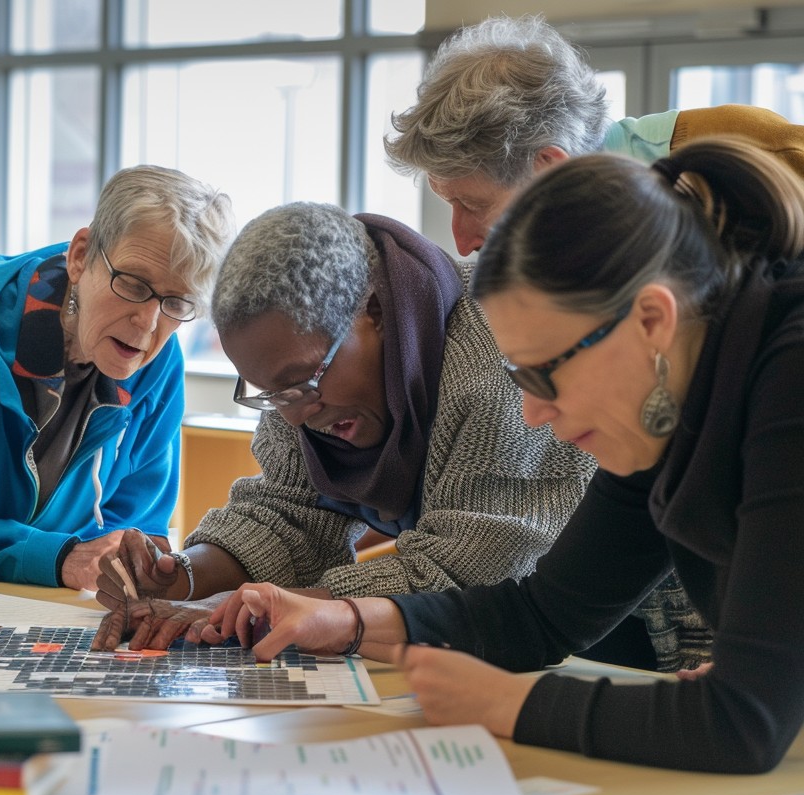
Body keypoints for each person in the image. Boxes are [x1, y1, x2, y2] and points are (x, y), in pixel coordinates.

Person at [203, 138, 804, 773]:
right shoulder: (663, 408)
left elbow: (739, 726)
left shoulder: (789, 375)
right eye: (521, 380)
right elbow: (540, 615)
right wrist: (344, 620)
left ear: (650, 321)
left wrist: (506, 703)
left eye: (546, 374)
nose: (533, 414)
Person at [91, 202, 593, 655]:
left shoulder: (492, 359)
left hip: (627, 645)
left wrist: (239, 609)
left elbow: (472, 574)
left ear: (373, 310)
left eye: (299, 384)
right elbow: (287, 516)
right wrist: (181, 577)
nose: (294, 416)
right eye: (271, 395)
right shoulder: (300, 377)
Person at [0, 165, 235, 588]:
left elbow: (139, 527)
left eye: (176, 301)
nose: (147, 322)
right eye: (135, 285)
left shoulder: (159, 367)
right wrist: (53, 557)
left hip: (58, 610)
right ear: (81, 257)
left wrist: (139, 563)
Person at [386, 14, 804, 258]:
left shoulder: (756, 158)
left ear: (551, 170)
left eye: (473, 204)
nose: (462, 243)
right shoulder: (562, 255)